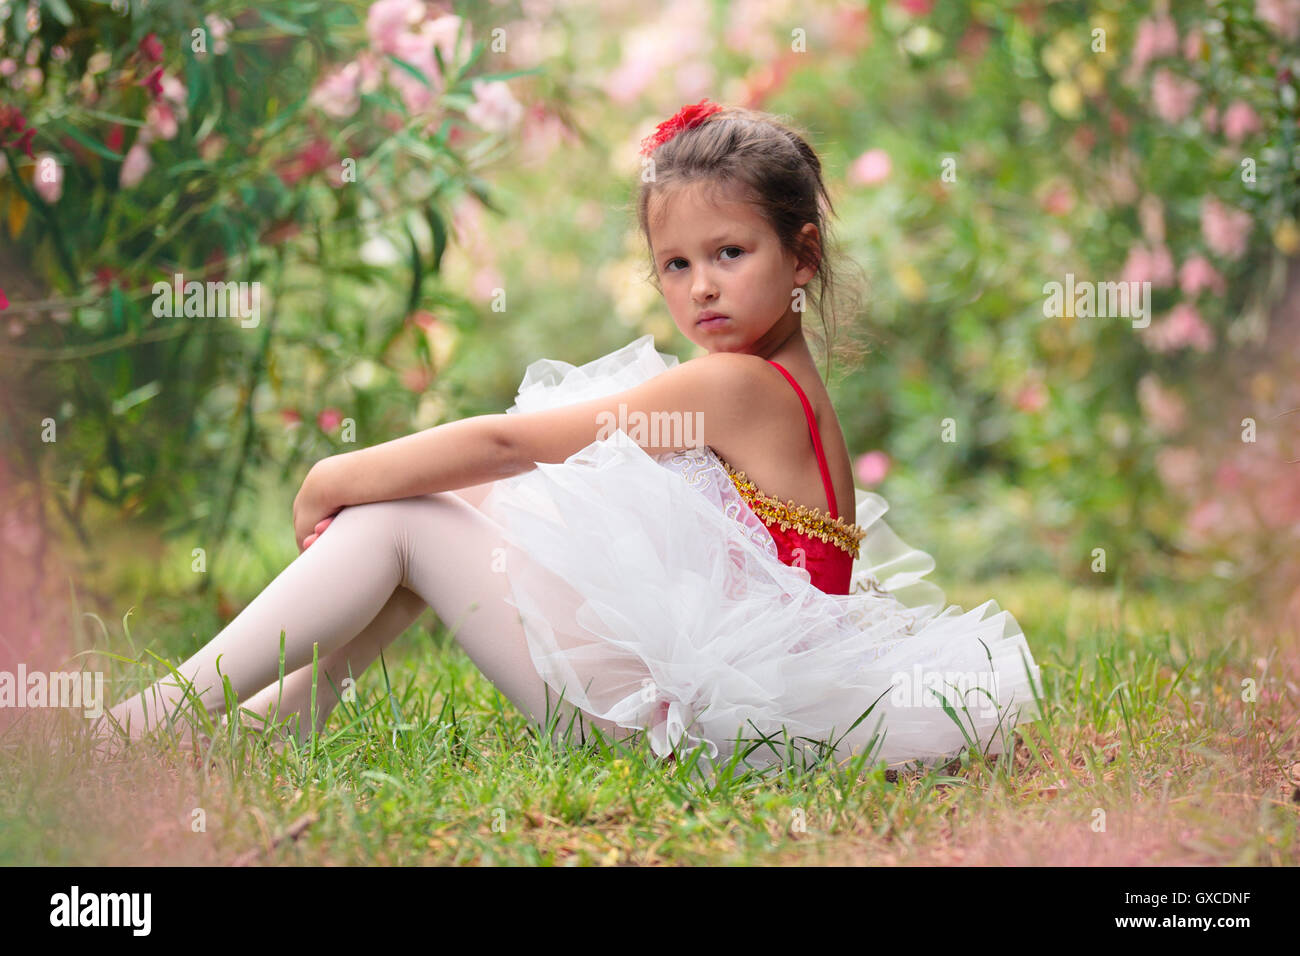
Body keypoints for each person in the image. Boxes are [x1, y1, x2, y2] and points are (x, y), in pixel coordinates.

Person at [96, 100, 1041, 771]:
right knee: (458, 513)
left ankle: (137, 728)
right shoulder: (788, 385)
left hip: (677, 721)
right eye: (675, 264)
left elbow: (515, 444)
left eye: (730, 253)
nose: (700, 287)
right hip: (713, 702)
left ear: (801, 255)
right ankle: (264, 730)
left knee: (401, 521)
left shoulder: (739, 385)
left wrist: (337, 471)